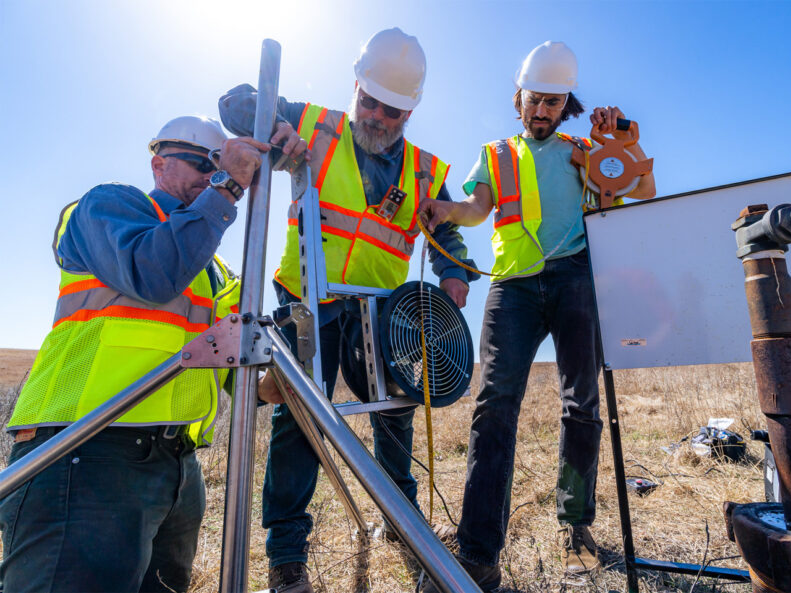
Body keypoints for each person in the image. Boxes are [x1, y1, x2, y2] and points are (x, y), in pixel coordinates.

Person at [218, 27, 477, 593]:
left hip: (387, 316)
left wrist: (455, 275)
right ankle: (288, 558)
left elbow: (448, 238)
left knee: (396, 417)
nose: (379, 117)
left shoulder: (426, 171)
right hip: (308, 301)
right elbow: (235, 102)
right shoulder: (315, 124)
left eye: (394, 111)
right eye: (370, 102)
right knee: (300, 422)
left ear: (411, 112)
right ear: (355, 87)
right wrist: (272, 128)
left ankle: (406, 533)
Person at [418, 41, 656, 590]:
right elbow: (476, 210)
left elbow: (644, 188)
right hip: (514, 289)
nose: (543, 111)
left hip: (577, 277)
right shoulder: (496, 154)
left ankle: (575, 524)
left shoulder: (585, 147)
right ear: (519, 99)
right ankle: (478, 552)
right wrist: (443, 208)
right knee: (494, 403)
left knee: (582, 403)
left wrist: (620, 141)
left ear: (565, 103)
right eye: (534, 101)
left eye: (553, 102)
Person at [0, 115, 268, 593]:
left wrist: (288, 360)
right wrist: (227, 185)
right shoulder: (108, 206)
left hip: (176, 470)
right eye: (205, 164)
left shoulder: (215, 267)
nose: (213, 175)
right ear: (158, 163)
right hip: (82, 450)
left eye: (220, 166)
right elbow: (153, 271)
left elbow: (243, 372)